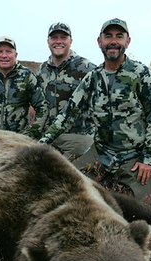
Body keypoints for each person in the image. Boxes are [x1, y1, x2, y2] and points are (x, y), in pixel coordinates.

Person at [39, 19, 151, 206]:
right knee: (68, 191)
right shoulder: (93, 78)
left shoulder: (141, 75)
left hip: (133, 156)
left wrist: (148, 158)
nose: (113, 41)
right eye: (108, 37)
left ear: (127, 42)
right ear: (100, 42)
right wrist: (41, 143)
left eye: (119, 37)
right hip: (101, 153)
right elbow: (67, 115)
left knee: (141, 210)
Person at [35, 22, 96, 160]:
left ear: (70, 41)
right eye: (54, 37)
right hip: (49, 135)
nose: (58, 41)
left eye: (63, 37)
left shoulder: (88, 69)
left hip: (78, 136)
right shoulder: (42, 70)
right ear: (48, 41)